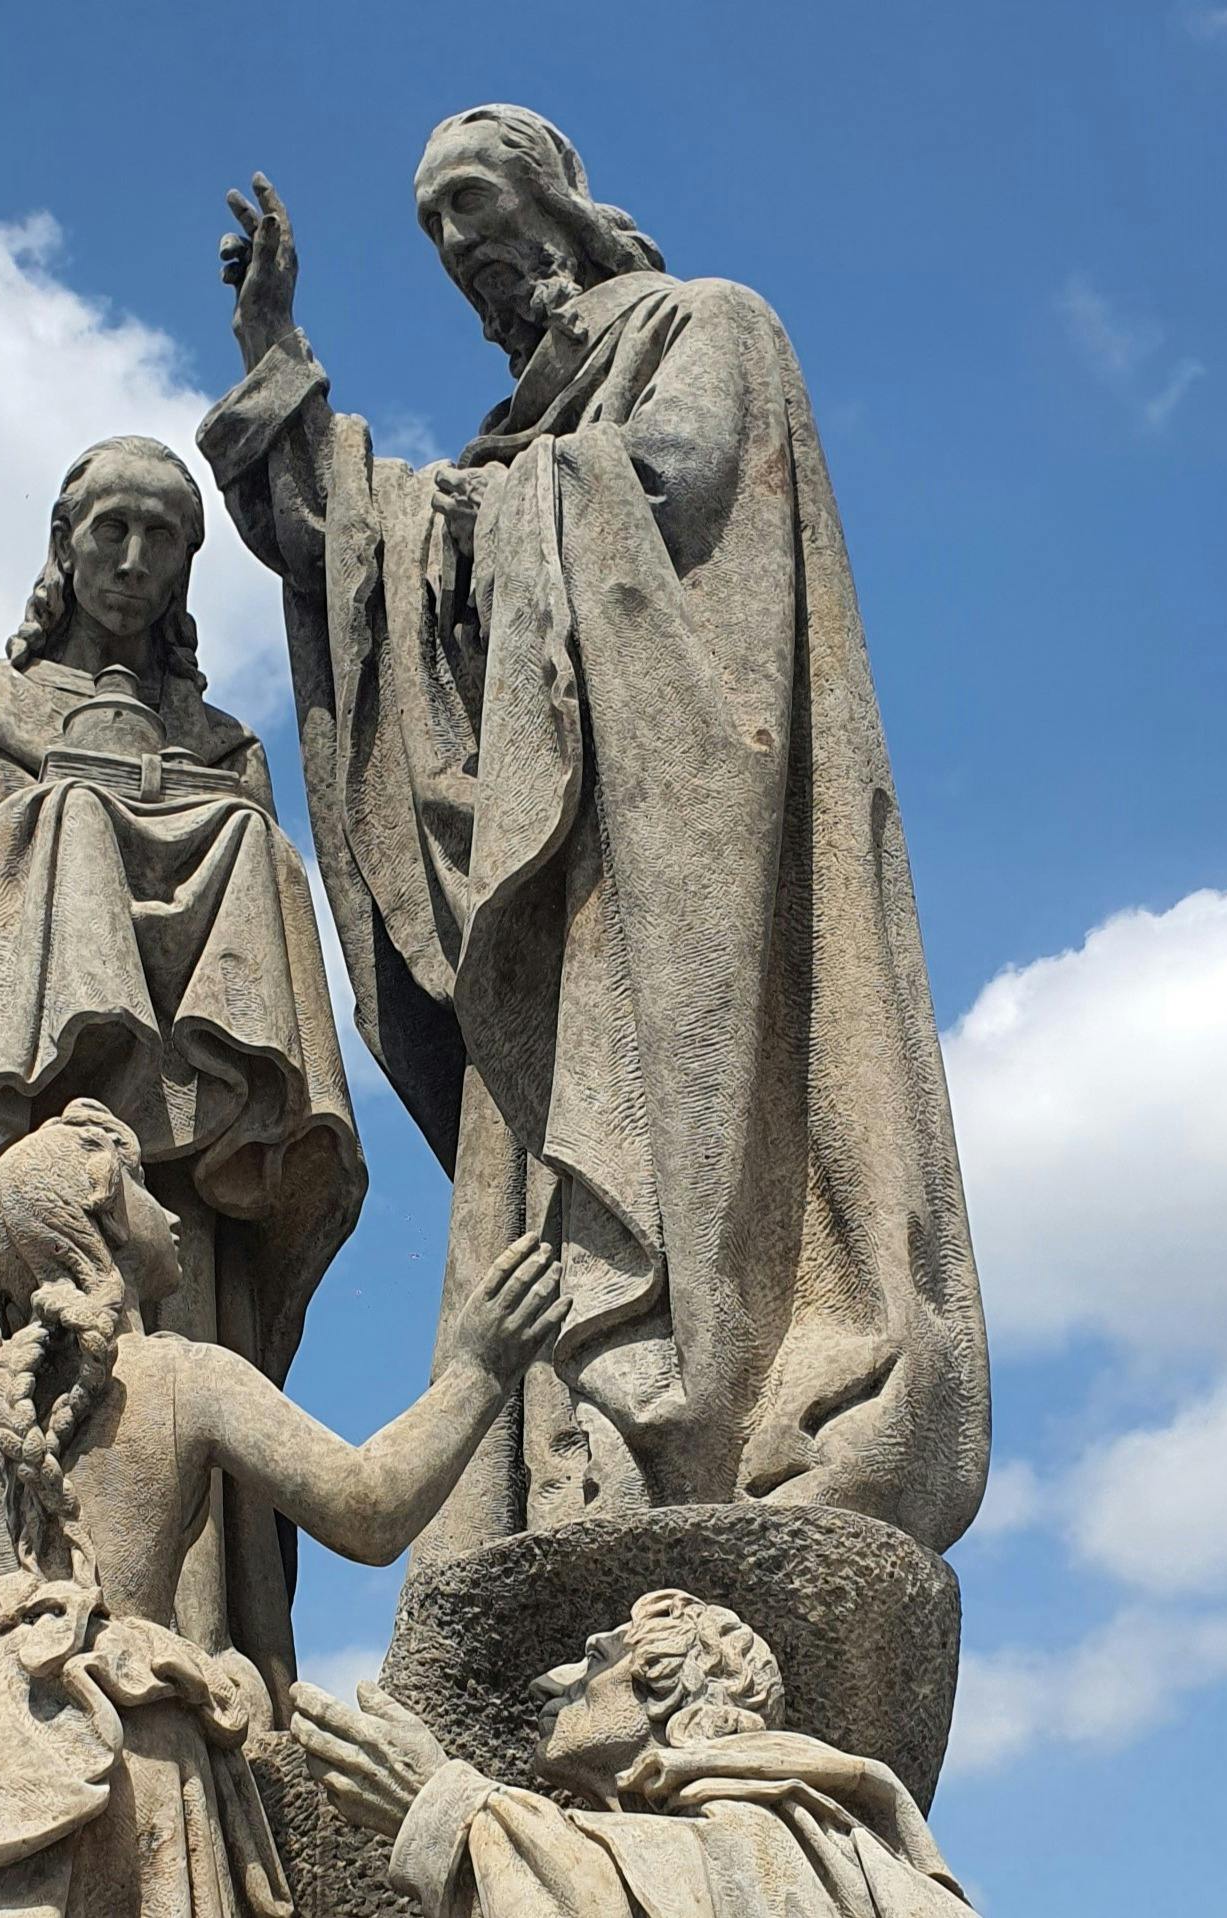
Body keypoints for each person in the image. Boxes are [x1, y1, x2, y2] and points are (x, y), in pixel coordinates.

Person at [201, 108, 989, 1567]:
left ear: (558, 200)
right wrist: (279, 368)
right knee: (534, 1173)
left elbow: (671, 496)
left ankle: (678, 1451)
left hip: (679, 854)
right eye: (435, 225)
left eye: (475, 201)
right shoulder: (517, 447)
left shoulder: (708, 327)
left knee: (678, 1151)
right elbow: (358, 547)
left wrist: (464, 522)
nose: (459, 244)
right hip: (545, 872)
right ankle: (533, 1494)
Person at [0, 1099, 564, 1918]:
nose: (174, 1213)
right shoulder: (193, 1376)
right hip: (131, 1740)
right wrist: (480, 1370)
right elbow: (371, 1510)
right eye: (145, 1183)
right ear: (105, 1206)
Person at [0, 434, 364, 1697]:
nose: (129, 558)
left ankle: (202, 1665)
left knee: (186, 1398)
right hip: (18, 1164)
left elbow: (276, 915)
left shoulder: (224, 748)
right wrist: (56, 835)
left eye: (161, 535)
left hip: (185, 1166)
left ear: (186, 566)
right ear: (61, 547)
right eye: (107, 528)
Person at [289, 1589, 971, 1918]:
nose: (550, 1682)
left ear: (669, 1694)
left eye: (595, 1660)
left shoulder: (773, 1841)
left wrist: (447, 1806)